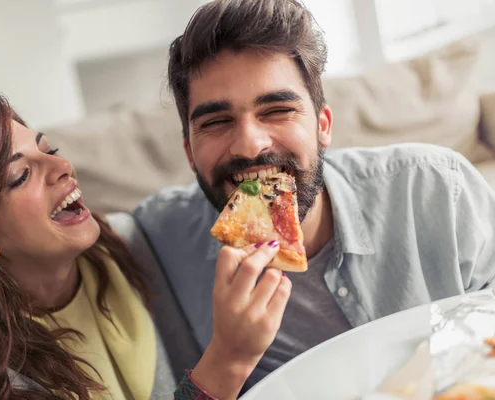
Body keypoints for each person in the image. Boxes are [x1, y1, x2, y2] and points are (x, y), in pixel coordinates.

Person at [133, 0, 495, 390]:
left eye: (276, 110)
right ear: (189, 152)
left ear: (323, 125)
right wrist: (229, 357)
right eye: (217, 121)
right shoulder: (153, 240)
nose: (251, 146)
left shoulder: (439, 187)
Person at [0, 95, 292, 400]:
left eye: (48, 150)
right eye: (20, 175)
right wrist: (229, 359)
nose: (63, 166)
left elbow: (239, 200)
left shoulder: (129, 243)